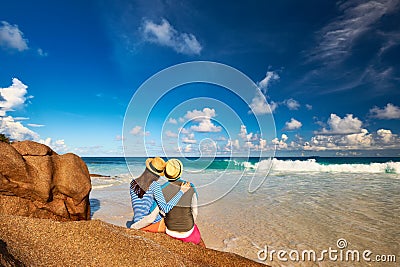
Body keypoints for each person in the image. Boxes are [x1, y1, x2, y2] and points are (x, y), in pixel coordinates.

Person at [129, 157, 190, 232]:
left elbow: (140, 204)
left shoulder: (133, 183)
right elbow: (166, 209)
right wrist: (181, 191)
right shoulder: (154, 185)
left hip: (137, 222)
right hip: (149, 224)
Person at [161, 159, 204, 246]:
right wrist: (190, 223)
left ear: (166, 173)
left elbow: (162, 212)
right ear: (180, 172)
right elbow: (195, 211)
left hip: (170, 231)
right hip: (188, 231)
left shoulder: (161, 189)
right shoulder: (190, 186)